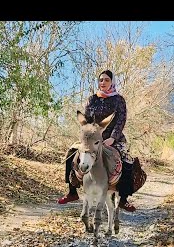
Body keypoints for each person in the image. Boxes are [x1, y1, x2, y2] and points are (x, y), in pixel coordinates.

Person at [57, 69, 136, 212]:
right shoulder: (92, 99)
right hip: (92, 138)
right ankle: (72, 192)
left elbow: (121, 120)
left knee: (127, 160)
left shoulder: (119, 100)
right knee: (71, 153)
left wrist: (112, 138)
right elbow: (87, 120)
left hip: (113, 139)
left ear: (112, 82)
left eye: (106, 80)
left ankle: (124, 199)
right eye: (101, 80)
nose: (103, 82)